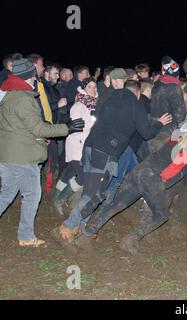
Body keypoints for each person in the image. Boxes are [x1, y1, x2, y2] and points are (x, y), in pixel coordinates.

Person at [50, 68, 169, 252]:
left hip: (89, 148)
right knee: (94, 195)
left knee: (90, 192)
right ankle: (65, 229)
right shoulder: (134, 103)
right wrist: (160, 123)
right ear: (137, 92)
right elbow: (146, 133)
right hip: (105, 153)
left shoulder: (107, 97)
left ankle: (77, 230)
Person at [73, 127, 187, 254]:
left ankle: (87, 234)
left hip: (140, 170)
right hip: (153, 178)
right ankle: (131, 239)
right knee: (161, 215)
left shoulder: (176, 138)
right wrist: (161, 185)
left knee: (117, 204)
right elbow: (174, 170)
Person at [0, 55, 84, 247]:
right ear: (27, 77)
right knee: (32, 196)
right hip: (22, 157)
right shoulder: (23, 98)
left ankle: (26, 235)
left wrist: (38, 134)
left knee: (6, 195)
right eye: (33, 76)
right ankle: (26, 236)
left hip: (10, 154)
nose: (36, 79)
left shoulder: (10, 95)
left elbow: (19, 127)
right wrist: (67, 128)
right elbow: (38, 128)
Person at [53, 77, 98, 215]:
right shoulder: (78, 105)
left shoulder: (93, 105)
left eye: (95, 86)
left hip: (84, 145)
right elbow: (78, 126)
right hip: (76, 145)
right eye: (90, 86)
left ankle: (55, 196)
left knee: (69, 172)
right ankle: (60, 199)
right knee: (82, 176)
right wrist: (93, 121)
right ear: (83, 88)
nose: (93, 89)